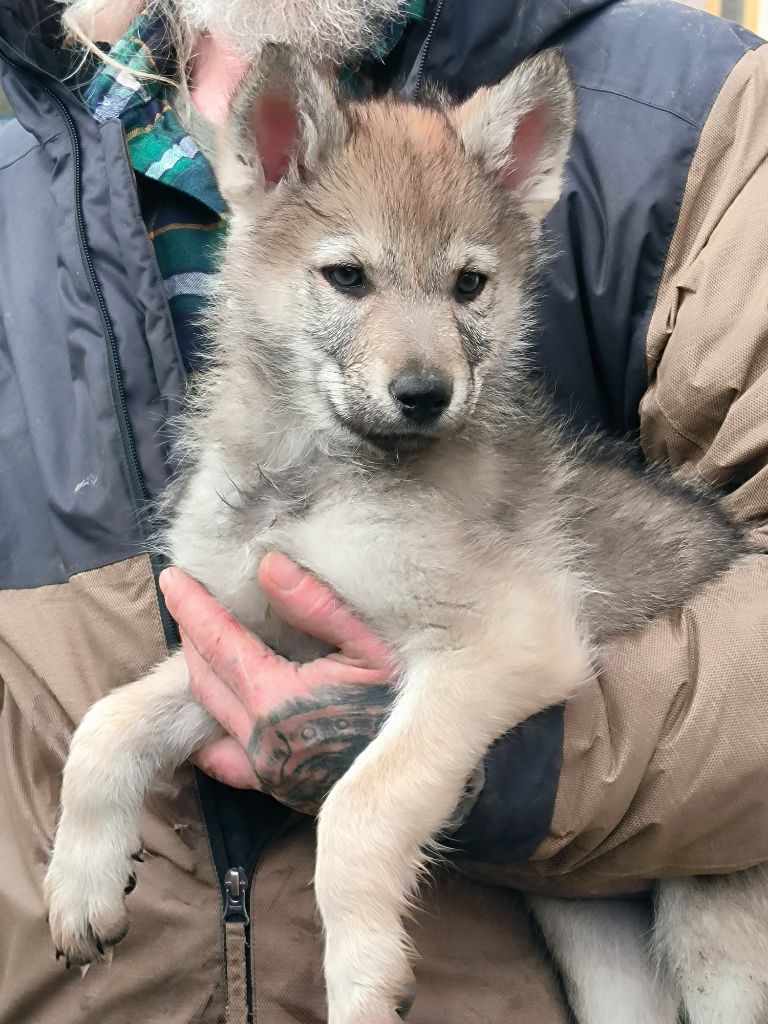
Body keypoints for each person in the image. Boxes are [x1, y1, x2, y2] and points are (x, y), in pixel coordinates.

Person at [0, 0, 767, 1021]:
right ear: (262, 162)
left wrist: (456, 791)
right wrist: (105, 766)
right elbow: (228, 658)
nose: (423, 363)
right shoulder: (34, 112)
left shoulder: (687, 101)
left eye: (467, 287)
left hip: (639, 852)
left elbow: (512, 649)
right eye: (350, 277)